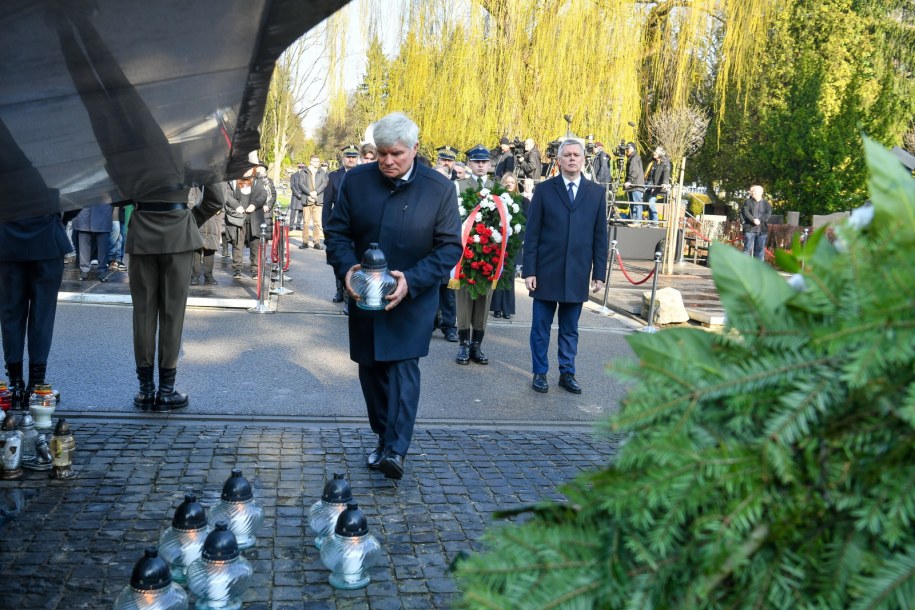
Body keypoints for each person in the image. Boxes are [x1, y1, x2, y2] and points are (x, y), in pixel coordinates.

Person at [324, 112, 462, 481]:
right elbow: (336, 234)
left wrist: (412, 280)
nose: (387, 161)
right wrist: (347, 269)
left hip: (411, 299)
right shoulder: (355, 182)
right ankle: (383, 436)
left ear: (415, 149)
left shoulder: (439, 189)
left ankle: (395, 449)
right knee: (370, 372)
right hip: (364, 298)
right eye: (382, 153)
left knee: (402, 370)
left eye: (396, 154)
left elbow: (449, 248)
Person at [126, 182, 225, 412]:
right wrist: (189, 219)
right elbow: (215, 199)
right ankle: (166, 392)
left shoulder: (132, 149)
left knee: (143, 315)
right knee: (173, 315)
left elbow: (114, 193)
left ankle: (146, 390)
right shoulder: (191, 148)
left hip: (142, 232)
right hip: (179, 231)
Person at [523, 139, 607, 394]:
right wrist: (529, 270)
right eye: (567, 155)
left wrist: (599, 273)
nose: (572, 159)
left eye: (576, 155)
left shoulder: (596, 193)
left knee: (570, 329)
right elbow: (533, 233)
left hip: (577, 273)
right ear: (559, 160)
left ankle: (567, 373)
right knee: (540, 327)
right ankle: (540, 372)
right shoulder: (545, 190)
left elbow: (600, 237)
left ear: (583, 160)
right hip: (546, 272)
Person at [453, 145, 497, 365]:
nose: (481, 165)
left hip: (489, 253)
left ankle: (477, 345)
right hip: (465, 252)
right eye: (476, 161)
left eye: (484, 162)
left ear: (489, 164)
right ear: (469, 163)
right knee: (463, 298)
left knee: (484, 299)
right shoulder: (459, 187)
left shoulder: (496, 187)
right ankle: (463, 344)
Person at [323, 145, 361, 306]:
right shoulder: (334, 176)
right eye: (348, 156)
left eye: (353, 156)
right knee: (340, 256)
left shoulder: (362, 175)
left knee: (355, 259)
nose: (351, 159)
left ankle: (351, 293)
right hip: (339, 224)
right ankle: (340, 290)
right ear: (343, 158)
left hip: (358, 224)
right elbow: (327, 203)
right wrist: (326, 225)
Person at [489, 173, 522, 320]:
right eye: (506, 182)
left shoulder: (523, 201)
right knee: (498, 273)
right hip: (499, 240)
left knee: (509, 276)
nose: (509, 184)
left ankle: (507, 308)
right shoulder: (497, 200)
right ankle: (496, 307)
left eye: (512, 182)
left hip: (514, 242)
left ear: (515, 184)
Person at [188, 186, 222, 286]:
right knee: (196, 249)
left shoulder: (213, 185)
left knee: (210, 249)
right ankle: (194, 275)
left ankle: (209, 276)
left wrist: (218, 207)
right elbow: (190, 201)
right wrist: (200, 209)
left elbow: (221, 199)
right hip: (198, 219)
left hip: (212, 221)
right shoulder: (193, 185)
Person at [71, 203, 114, 281]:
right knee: (84, 247)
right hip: (84, 214)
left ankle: (102, 270)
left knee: (103, 247)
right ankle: (84, 270)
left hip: (102, 212)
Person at [299, 155, 327, 249]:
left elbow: (324, 183)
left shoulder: (322, 172)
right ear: (310, 161)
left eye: (318, 161)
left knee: (317, 223)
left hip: (318, 200)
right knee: (306, 222)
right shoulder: (304, 171)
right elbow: (301, 184)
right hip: (307, 199)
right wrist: (309, 193)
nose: (317, 163)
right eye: (315, 161)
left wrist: (316, 192)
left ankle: (316, 242)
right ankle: (305, 242)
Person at [222, 180, 247, 279]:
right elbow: (224, 195)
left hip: (240, 214)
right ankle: (226, 251)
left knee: (238, 242)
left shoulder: (245, 180)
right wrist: (236, 205)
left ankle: (237, 267)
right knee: (229, 238)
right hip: (227, 212)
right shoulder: (224, 181)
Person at [741, 185, 771, 261]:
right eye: (752, 191)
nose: (752, 192)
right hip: (750, 229)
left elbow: (768, 214)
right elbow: (745, 211)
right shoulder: (747, 202)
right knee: (747, 249)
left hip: (762, 230)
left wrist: (760, 220)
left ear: (760, 192)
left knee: (760, 251)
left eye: (754, 191)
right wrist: (753, 220)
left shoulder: (766, 203)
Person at [645, 146, 671, 226]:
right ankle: (650, 222)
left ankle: (655, 222)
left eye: (656, 152)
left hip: (657, 187)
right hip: (650, 185)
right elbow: (651, 174)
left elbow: (666, 172)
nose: (654, 153)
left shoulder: (665, 162)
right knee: (648, 204)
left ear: (660, 154)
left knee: (651, 203)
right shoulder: (654, 162)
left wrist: (665, 183)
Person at [623, 142, 646, 224]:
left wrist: (629, 181)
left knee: (637, 204)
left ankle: (637, 222)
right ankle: (633, 220)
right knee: (633, 204)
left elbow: (634, 171)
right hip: (634, 185)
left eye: (627, 149)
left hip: (636, 185)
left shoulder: (635, 158)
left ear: (632, 149)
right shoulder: (632, 158)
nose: (626, 151)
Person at [289, 162, 306, 230]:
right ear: (298, 167)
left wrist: (303, 194)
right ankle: (291, 225)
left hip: (303, 195)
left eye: (302, 167)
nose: (301, 169)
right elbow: (292, 186)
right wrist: (297, 194)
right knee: (293, 211)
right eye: (300, 167)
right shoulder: (293, 175)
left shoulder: (305, 175)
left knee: (301, 212)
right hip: (295, 196)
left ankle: (298, 225)